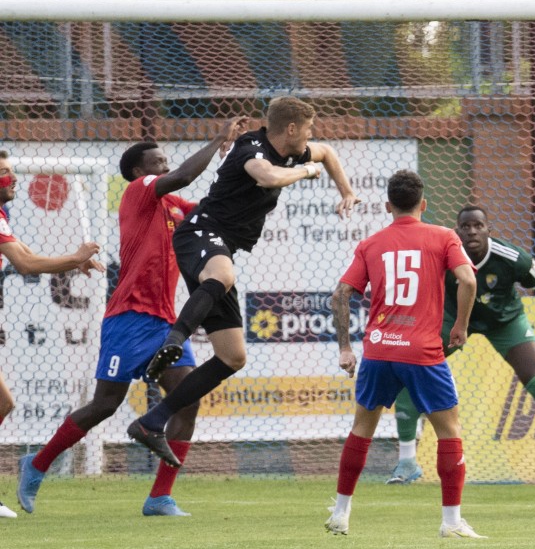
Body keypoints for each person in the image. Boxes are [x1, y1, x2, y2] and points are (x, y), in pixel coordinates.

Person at [18, 120, 247, 517]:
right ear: (140, 172)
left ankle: (159, 497)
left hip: (164, 321)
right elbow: (184, 175)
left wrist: (254, 169)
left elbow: (214, 210)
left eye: (165, 160)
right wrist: (218, 139)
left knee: (187, 400)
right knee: (105, 405)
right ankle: (36, 464)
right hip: (128, 317)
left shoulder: (178, 209)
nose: (165, 166)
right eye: (158, 162)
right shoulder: (137, 192)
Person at [126, 97, 359, 467]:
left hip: (222, 244)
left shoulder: (294, 150)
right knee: (223, 274)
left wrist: (345, 191)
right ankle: (173, 340)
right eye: (309, 129)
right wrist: (306, 173)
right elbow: (267, 176)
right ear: (292, 129)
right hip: (200, 233)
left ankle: (152, 422)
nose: (312, 137)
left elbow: (328, 153)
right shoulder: (252, 145)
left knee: (233, 356)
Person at [385, 205, 535, 488]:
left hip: (505, 321)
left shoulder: (511, 257)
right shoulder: (443, 251)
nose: (472, 231)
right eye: (466, 226)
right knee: (410, 370)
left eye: (478, 225)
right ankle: (406, 461)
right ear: (457, 230)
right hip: (455, 319)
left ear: (489, 229)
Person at [325, 170, 484, 538]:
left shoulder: (371, 244)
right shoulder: (443, 236)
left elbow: (340, 295)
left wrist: (346, 348)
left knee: (361, 429)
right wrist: (460, 325)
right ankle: (450, 522)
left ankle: (341, 512)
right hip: (423, 351)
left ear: (387, 206)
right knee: (449, 431)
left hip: (379, 350)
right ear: (423, 204)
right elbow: (469, 280)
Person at [0, 150, 104, 518]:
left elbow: (27, 252)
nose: (12, 178)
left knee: (3, 403)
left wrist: (72, 260)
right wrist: (74, 258)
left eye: (11, 171)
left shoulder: (2, 217)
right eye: (4, 173)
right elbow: (25, 264)